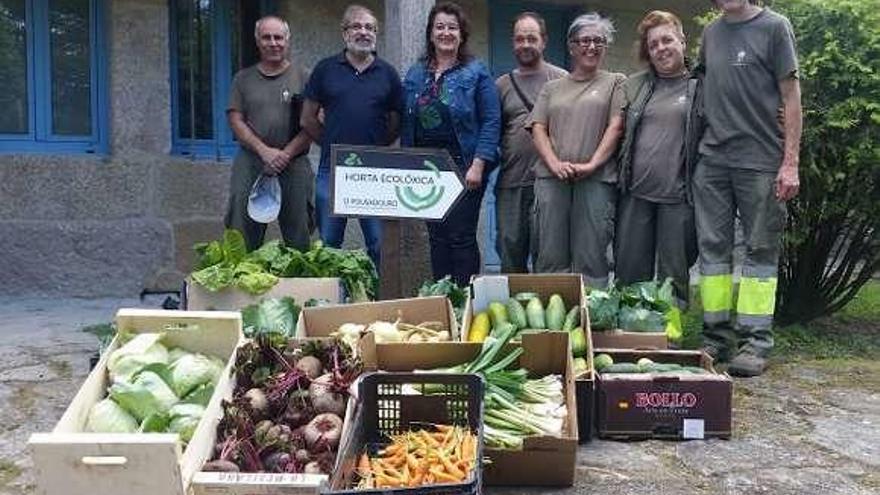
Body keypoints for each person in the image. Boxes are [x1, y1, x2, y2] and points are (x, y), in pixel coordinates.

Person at [695, 0, 802, 376]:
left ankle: (755, 343)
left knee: (759, 252)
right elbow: (704, 91)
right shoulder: (710, 33)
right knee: (712, 253)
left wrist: (790, 162)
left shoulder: (775, 27)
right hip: (713, 160)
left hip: (760, 159)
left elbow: (790, 97)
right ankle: (716, 337)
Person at [400, 1, 501, 287]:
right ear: (431, 34)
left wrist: (478, 164)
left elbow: (492, 121)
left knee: (461, 236)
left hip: (464, 165)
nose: (446, 32)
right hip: (427, 168)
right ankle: (443, 296)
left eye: (452, 28)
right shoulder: (416, 73)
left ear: (462, 34)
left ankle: (464, 300)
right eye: (440, 27)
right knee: (437, 236)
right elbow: (404, 117)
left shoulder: (476, 72)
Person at [527, 13, 625, 288]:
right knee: (549, 251)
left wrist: (593, 164)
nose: (591, 47)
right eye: (584, 41)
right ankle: (552, 322)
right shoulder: (552, 87)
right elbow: (537, 128)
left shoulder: (616, 82)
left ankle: (592, 318)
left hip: (596, 179)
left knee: (592, 253)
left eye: (598, 41)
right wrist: (554, 163)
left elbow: (616, 126)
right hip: (552, 178)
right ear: (571, 46)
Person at [302, 5, 403, 269]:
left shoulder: (388, 73)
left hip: (374, 170)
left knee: (379, 244)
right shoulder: (325, 69)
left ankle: (378, 304)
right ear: (344, 32)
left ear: (376, 34)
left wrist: (378, 146)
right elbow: (307, 118)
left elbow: (397, 120)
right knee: (329, 244)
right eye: (357, 26)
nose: (364, 32)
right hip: (332, 169)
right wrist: (330, 144)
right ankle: (331, 305)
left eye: (370, 28)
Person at [615, 11, 699, 307]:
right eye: (653, 45)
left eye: (667, 40)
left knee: (672, 277)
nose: (661, 48)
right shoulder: (635, 86)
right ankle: (628, 335)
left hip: (677, 198)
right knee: (628, 273)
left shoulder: (700, 86)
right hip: (636, 194)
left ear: (682, 41)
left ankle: (670, 340)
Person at [225, 16, 314, 251]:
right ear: (258, 41)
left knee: (300, 232)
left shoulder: (305, 77)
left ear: (287, 40)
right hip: (251, 161)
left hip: (293, 163)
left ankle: (302, 285)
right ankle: (242, 282)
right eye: (267, 37)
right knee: (241, 230)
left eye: (278, 37)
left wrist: (285, 154)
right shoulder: (242, 79)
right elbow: (235, 119)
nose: (273, 43)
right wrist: (264, 151)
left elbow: (314, 122)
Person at [495, 12, 567, 273]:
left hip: (550, 182)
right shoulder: (501, 85)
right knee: (509, 251)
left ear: (544, 41)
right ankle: (512, 311)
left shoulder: (562, 80)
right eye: (519, 39)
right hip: (511, 182)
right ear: (513, 43)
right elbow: (492, 133)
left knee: (548, 255)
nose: (525, 44)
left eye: (531, 38)